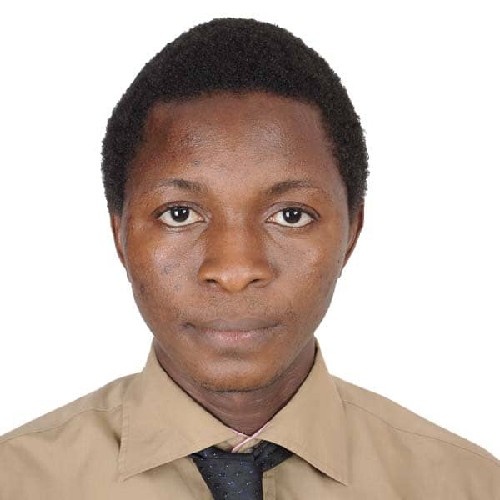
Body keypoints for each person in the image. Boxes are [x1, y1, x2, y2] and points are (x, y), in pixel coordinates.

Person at [0, 17, 498, 500]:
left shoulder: (471, 486)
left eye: (291, 215)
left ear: (351, 232)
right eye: (179, 213)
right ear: (120, 236)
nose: (235, 271)